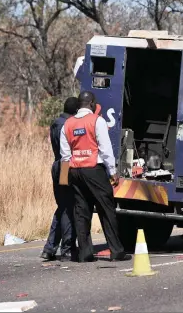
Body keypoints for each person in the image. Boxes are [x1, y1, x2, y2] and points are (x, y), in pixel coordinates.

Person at [60, 91, 131, 262]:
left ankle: (85, 253)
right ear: (91, 104)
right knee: (106, 209)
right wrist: (113, 172)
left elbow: (65, 155)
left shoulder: (67, 124)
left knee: (81, 211)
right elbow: (105, 149)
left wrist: (64, 179)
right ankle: (116, 251)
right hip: (94, 169)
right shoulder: (96, 121)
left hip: (75, 172)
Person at [41, 97, 79, 262]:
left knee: (62, 206)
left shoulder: (56, 122)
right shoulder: (67, 125)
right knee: (68, 208)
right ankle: (67, 249)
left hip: (57, 165)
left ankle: (49, 248)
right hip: (65, 166)